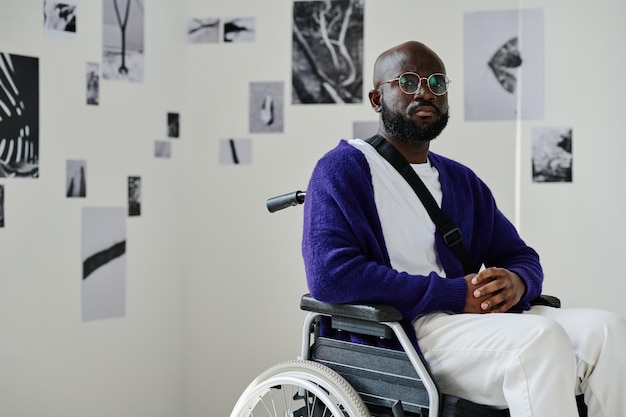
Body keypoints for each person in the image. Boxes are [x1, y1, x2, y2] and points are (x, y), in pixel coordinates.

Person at [302, 40, 626, 417]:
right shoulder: (343, 169)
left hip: (473, 321)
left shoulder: (460, 179)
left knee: (609, 332)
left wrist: (517, 282)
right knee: (541, 340)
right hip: (403, 330)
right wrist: (454, 295)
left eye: (437, 84)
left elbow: (519, 256)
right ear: (377, 99)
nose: (425, 91)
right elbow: (331, 276)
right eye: (408, 81)